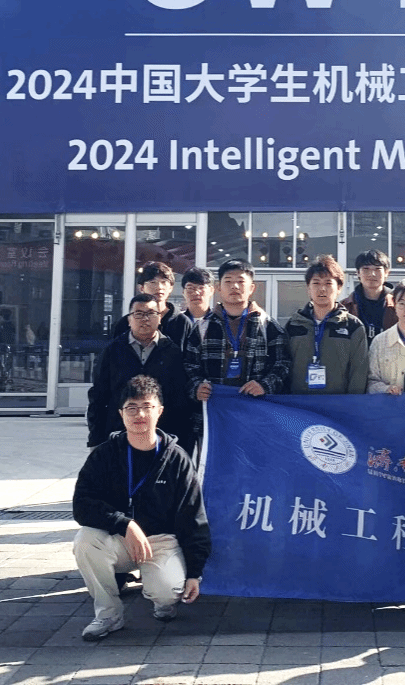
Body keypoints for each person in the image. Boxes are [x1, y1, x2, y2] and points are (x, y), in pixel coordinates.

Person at [73, 375, 210, 642]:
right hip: (120, 538)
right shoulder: (105, 454)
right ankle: (108, 614)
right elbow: (82, 505)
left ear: (159, 411)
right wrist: (124, 524)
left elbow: (193, 517)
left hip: (161, 541)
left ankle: (162, 599)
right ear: (121, 414)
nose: (140, 414)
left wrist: (195, 572)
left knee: (167, 591)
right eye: (132, 408)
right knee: (85, 541)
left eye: (147, 407)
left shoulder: (177, 459)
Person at [87, 294, 194, 454]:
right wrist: (96, 439)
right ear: (129, 319)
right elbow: (98, 397)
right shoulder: (112, 352)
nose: (145, 319)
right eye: (138, 314)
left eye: (151, 313)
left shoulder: (173, 353)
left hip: (162, 438)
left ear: (159, 318)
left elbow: (180, 401)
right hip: (119, 437)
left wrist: (181, 443)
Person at [184, 259, 290, 407]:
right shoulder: (203, 327)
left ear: (252, 288)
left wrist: (265, 385)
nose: (234, 286)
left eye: (241, 281)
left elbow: (283, 363)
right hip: (214, 409)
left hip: (255, 409)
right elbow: (189, 366)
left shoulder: (268, 326)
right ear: (219, 288)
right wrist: (197, 386)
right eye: (228, 281)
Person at [285, 255, 369, 394]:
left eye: (328, 283)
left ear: (339, 288)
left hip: (337, 403)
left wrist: (352, 402)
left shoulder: (353, 326)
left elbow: (358, 372)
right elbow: (284, 366)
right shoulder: (294, 324)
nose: (322, 289)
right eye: (316, 283)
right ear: (308, 288)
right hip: (299, 402)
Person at [341, 249, 397, 343]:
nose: (372, 274)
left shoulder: (397, 305)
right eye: (366, 269)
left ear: (387, 273)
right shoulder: (345, 307)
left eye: (377, 269)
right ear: (358, 273)